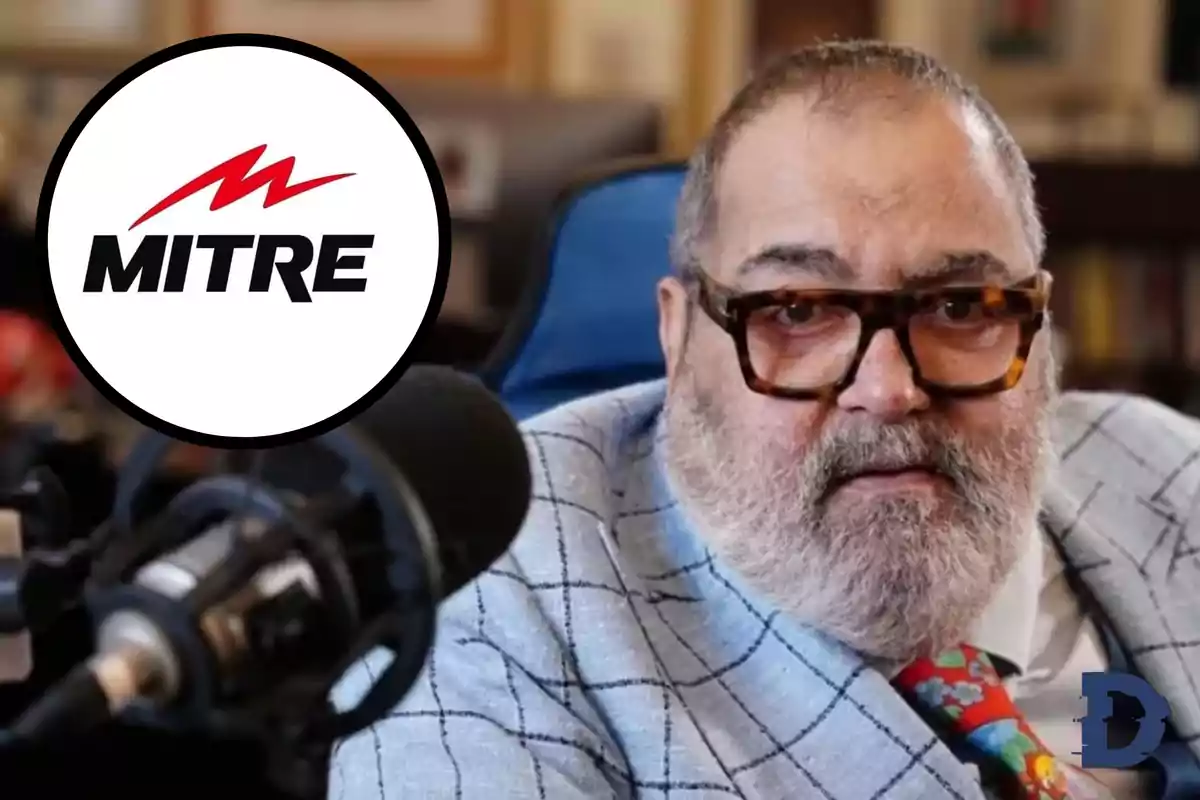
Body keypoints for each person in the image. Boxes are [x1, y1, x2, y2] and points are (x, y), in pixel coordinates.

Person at [330, 41, 1200, 799]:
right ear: (677, 337)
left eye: (963, 305)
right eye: (796, 310)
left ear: (1040, 322)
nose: (890, 388)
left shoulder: (1166, 471)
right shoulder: (493, 602)